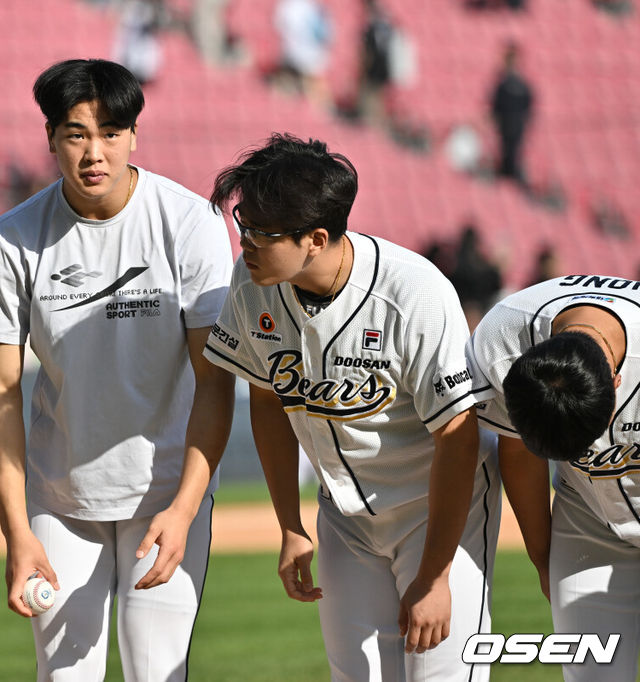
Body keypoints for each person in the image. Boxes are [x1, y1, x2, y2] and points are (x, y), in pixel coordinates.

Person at [0, 58, 235, 681]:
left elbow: (214, 383)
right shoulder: (9, 238)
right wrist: (17, 531)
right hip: (60, 501)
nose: (94, 152)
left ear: (134, 135)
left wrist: (185, 508)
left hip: (165, 492)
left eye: (111, 132)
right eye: (76, 133)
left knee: (156, 671)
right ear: (51, 138)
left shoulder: (189, 222)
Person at [202, 134, 500, 680]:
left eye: (261, 233)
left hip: (431, 512)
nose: (244, 243)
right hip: (344, 516)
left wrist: (435, 577)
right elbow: (268, 401)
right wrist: (290, 524)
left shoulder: (413, 294)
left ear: (315, 238)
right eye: (242, 225)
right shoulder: (252, 285)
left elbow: (459, 436)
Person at [468, 274, 640, 681]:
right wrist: (543, 558)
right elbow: (516, 449)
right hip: (587, 515)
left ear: (617, 384)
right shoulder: (502, 340)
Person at [490, 42, 533, 188]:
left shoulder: (521, 85)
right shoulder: (502, 84)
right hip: (505, 126)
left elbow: (529, 105)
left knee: (514, 152)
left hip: (515, 126)